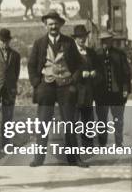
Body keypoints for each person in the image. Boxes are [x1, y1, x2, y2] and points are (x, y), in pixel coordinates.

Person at [27, 11, 88, 168]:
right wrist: (36, 83)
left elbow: (79, 64)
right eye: (50, 24)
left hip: (65, 87)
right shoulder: (39, 43)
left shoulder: (68, 42)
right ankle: (38, 159)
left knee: (70, 123)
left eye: (56, 24)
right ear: (46, 25)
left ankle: (74, 159)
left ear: (60, 24)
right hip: (46, 87)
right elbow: (31, 65)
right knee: (43, 124)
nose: (53, 26)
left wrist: (73, 82)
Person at [95, 31, 131, 147]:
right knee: (101, 120)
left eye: (108, 40)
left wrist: (125, 89)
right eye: (103, 40)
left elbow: (127, 73)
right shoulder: (96, 55)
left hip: (117, 93)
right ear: (101, 42)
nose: (105, 43)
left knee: (118, 119)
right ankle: (102, 143)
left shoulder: (120, 54)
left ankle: (119, 142)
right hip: (101, 94)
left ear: (111, 41)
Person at [0, 28, 21, 151]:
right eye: (2, 41)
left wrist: (12, 86)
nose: (4, 43)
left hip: (9, 90)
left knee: (7, 118)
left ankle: (6, 144)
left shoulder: (16, 55)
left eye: (6, 41)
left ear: (9, 41)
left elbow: (16, 73)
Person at [71, 25, 99, 148]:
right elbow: (68, 71)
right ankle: (73, 148)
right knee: (74, 121)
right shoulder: (70, 53)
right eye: (79, 37)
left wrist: (95, 72)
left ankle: (88, 148)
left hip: (88, 92)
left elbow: (98, 69)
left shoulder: (91, 52)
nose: (82, 39)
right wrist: (81, 74)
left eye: (84, 37)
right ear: (75, 39)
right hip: (75, 92)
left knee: (88, 120)